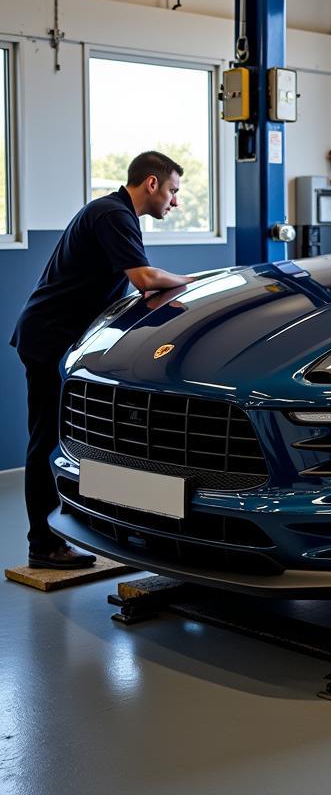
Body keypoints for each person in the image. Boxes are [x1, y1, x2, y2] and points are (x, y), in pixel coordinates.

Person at [10, 151, 196, 568]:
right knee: (47, 441)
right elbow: (144, 279)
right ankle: (43, 545)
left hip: (60, 340)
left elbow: (129, 290)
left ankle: (85, 528)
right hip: (48, 340)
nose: (175, 201)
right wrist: (192, 282)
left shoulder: (112, 214)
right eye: (173, 191)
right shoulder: (112, 214)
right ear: (152, 184)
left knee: (68, 439)